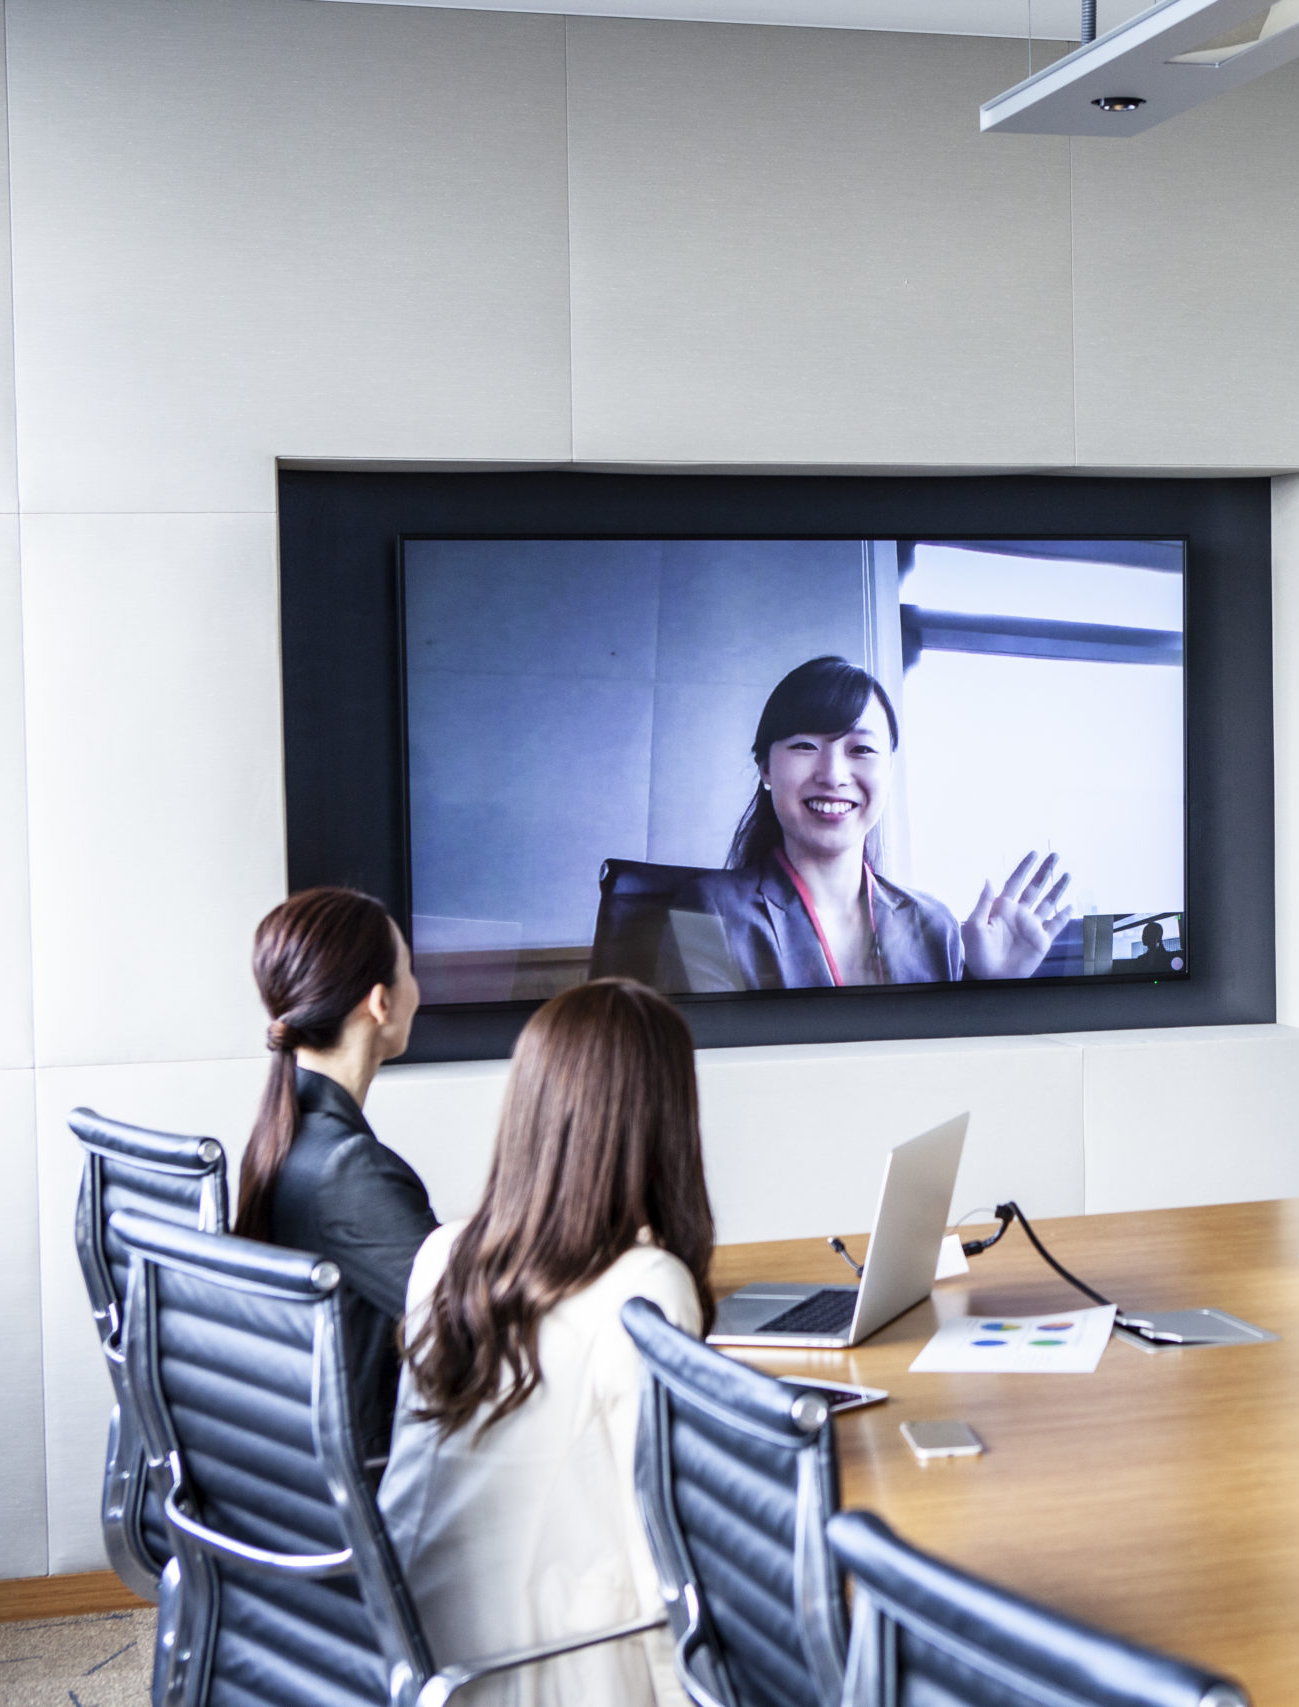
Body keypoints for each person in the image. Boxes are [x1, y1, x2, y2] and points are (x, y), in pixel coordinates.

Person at [378, 978, 716, 1706]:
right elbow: (662, 1553)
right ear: (664, 1119)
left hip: (409, 1655)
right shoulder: (645, 1287)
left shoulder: (443, 1253)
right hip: (552, 1671)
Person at [677, 655, 1075, 989]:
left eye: (862, 749)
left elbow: (959, 1072)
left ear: (889, 770)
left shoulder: (935, 926)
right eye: (805, 746)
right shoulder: (705, 912)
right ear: (765, 767)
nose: (833, 774)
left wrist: (991, 986)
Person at [236, 886, 436, 1463]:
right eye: (409, 971)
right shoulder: (349, 1170)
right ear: (380, 1003)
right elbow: (471, 1328)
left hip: (299, 1476)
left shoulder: (284, 1135)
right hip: (375, 1484)